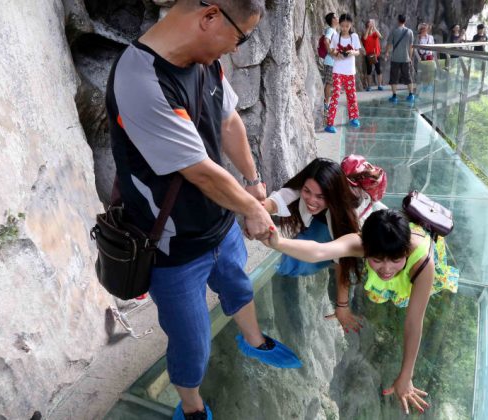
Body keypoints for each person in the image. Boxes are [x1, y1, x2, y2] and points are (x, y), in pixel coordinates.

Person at [105, 2, 302, 419]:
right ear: (210, 16)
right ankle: (192, 407)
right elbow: (200, 172)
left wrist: (253, 183)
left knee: (238, 286)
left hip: (220, 223)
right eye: (240, 37)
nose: (236, 49)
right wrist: (254, 210)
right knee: (192, 343)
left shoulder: (204, 60)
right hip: (172, 246)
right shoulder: (140, 79)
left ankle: (253, 339)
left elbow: (228, 120)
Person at [261, 209, 459, 415]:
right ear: (365, 248)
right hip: (385, 249)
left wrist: (406, 375)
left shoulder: (423, 264)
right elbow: (320, 251)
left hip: (416, 268)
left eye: (395, 259)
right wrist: (278, 243)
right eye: (377, 260)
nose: (386, 269)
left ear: (406, 252)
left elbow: (413, 322)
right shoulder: (361, 243)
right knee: (346, 259)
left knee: (405, 287)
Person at [262, 158, 386, 277]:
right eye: (307, 191)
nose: (311, 200)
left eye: (320, 196)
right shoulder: (315, 184)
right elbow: (277, 201)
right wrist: (256, 209)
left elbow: (331, 256)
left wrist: (342, 299)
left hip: (351, 228)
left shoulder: (353, 214)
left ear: (333, 194)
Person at [325, 13, 362, 133]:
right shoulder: (336, 37)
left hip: (350, 71)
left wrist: (352, 52)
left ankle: (354, 118)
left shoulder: (354, 36)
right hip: (338, 71)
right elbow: (331, 50)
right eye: (343, 26)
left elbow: (358, 52)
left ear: (351, 25)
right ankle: (330, 123)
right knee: (335, 95)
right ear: (340, 25)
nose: (345, 28)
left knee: (351, 95)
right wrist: (337, 54)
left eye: (347, 26)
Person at [385, 14, 415, 104]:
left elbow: (389, 44)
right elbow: (411, 47)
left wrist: (387, 53)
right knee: (408, 77)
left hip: (395, 58)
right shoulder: (410, 32)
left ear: (398, 21)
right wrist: (410, 57)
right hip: (406, 58)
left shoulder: (394, 31)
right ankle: (411, 95)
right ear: (405, 21)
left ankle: (394, 97)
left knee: (394, 78)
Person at [322, 12, 339, 112]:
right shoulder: (331, 30)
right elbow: (326, 40)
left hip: (333, 62)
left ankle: (328, 103)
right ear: (332, 20)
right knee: (329, 83)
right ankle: (326, 103)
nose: (338, 18)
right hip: (330, 62)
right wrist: (330, 51)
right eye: (336, 17)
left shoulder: (335, 31)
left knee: (331, 83)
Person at [361, 19, 384, 92]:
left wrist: (374, 28)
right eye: (370, 23)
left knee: (378, 70)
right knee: (369, 70)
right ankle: (369, 86)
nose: (371, 24)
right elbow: (364, 38)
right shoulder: (365, 33)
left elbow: (380, 36)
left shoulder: (375, 33)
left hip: (376, 54)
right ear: (367, 24)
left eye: (372, 23)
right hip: (368, 55)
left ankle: (379, 85)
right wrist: (368, 29)